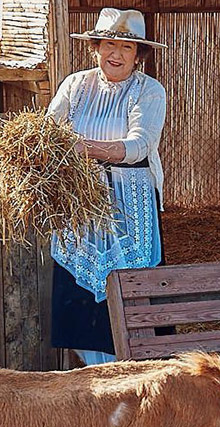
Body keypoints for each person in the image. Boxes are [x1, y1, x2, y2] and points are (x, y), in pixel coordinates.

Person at [46, 8, 167, 366]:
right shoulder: (75, 85)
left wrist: (88, 148)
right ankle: (93, 378)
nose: (116, 54)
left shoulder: (148, 91)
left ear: (138, 54)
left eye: (127, 47)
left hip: (130, 200)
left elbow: (140, 145)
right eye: (109, 44)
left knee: (131, 285)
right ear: (96, 47)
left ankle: (135, 374)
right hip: (81, 202)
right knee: (80, 295)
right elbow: (49, 130)